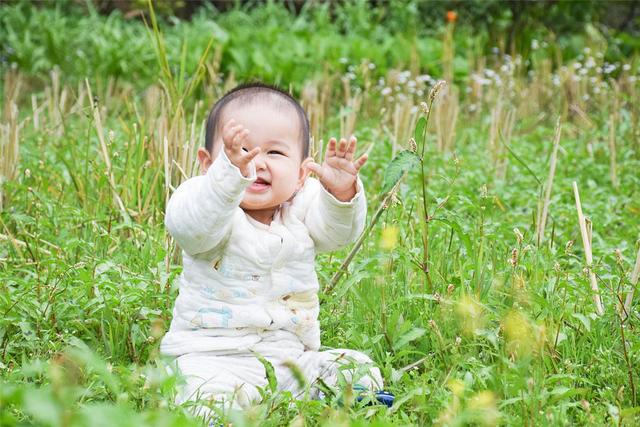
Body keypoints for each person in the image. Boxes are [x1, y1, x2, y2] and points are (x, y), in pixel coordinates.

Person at [160, 83, 388, 418]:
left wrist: (339, 194)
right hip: (214, 357)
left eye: (276, 153)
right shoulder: (205, 202)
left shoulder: (301, 204)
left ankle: (337, 399)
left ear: (300, 174)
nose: (256, 161)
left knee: (357, 369)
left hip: (290, 359)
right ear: (208, 164)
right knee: (203, 394)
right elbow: (192, 230)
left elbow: (338, 234)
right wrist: (227, 179)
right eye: (240, 150)